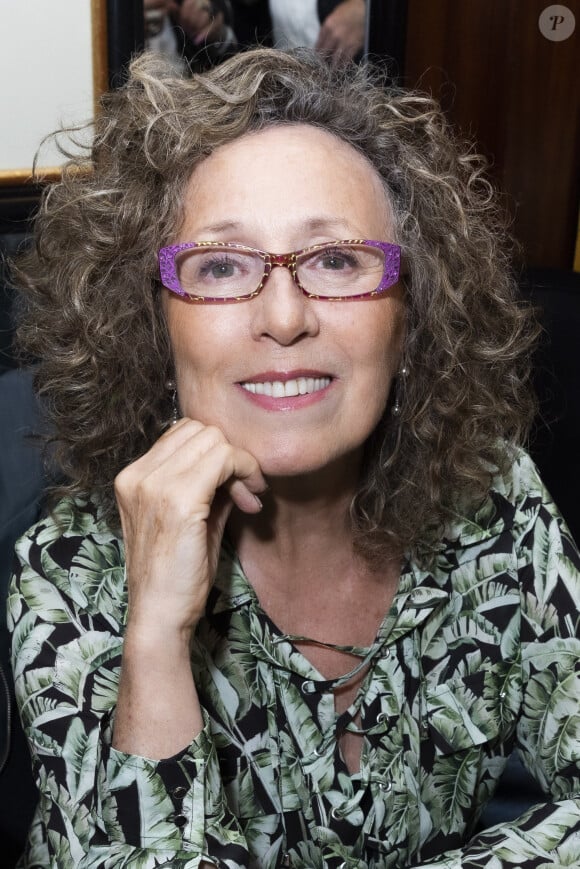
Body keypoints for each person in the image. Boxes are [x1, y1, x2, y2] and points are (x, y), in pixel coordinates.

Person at [7, 47, 580, 868]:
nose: (283, 316)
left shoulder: (494, 495)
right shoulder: (69, 565)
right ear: (153, 324)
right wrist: (158, 641)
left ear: (413, 314)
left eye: (337, 260)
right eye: (222, 264)